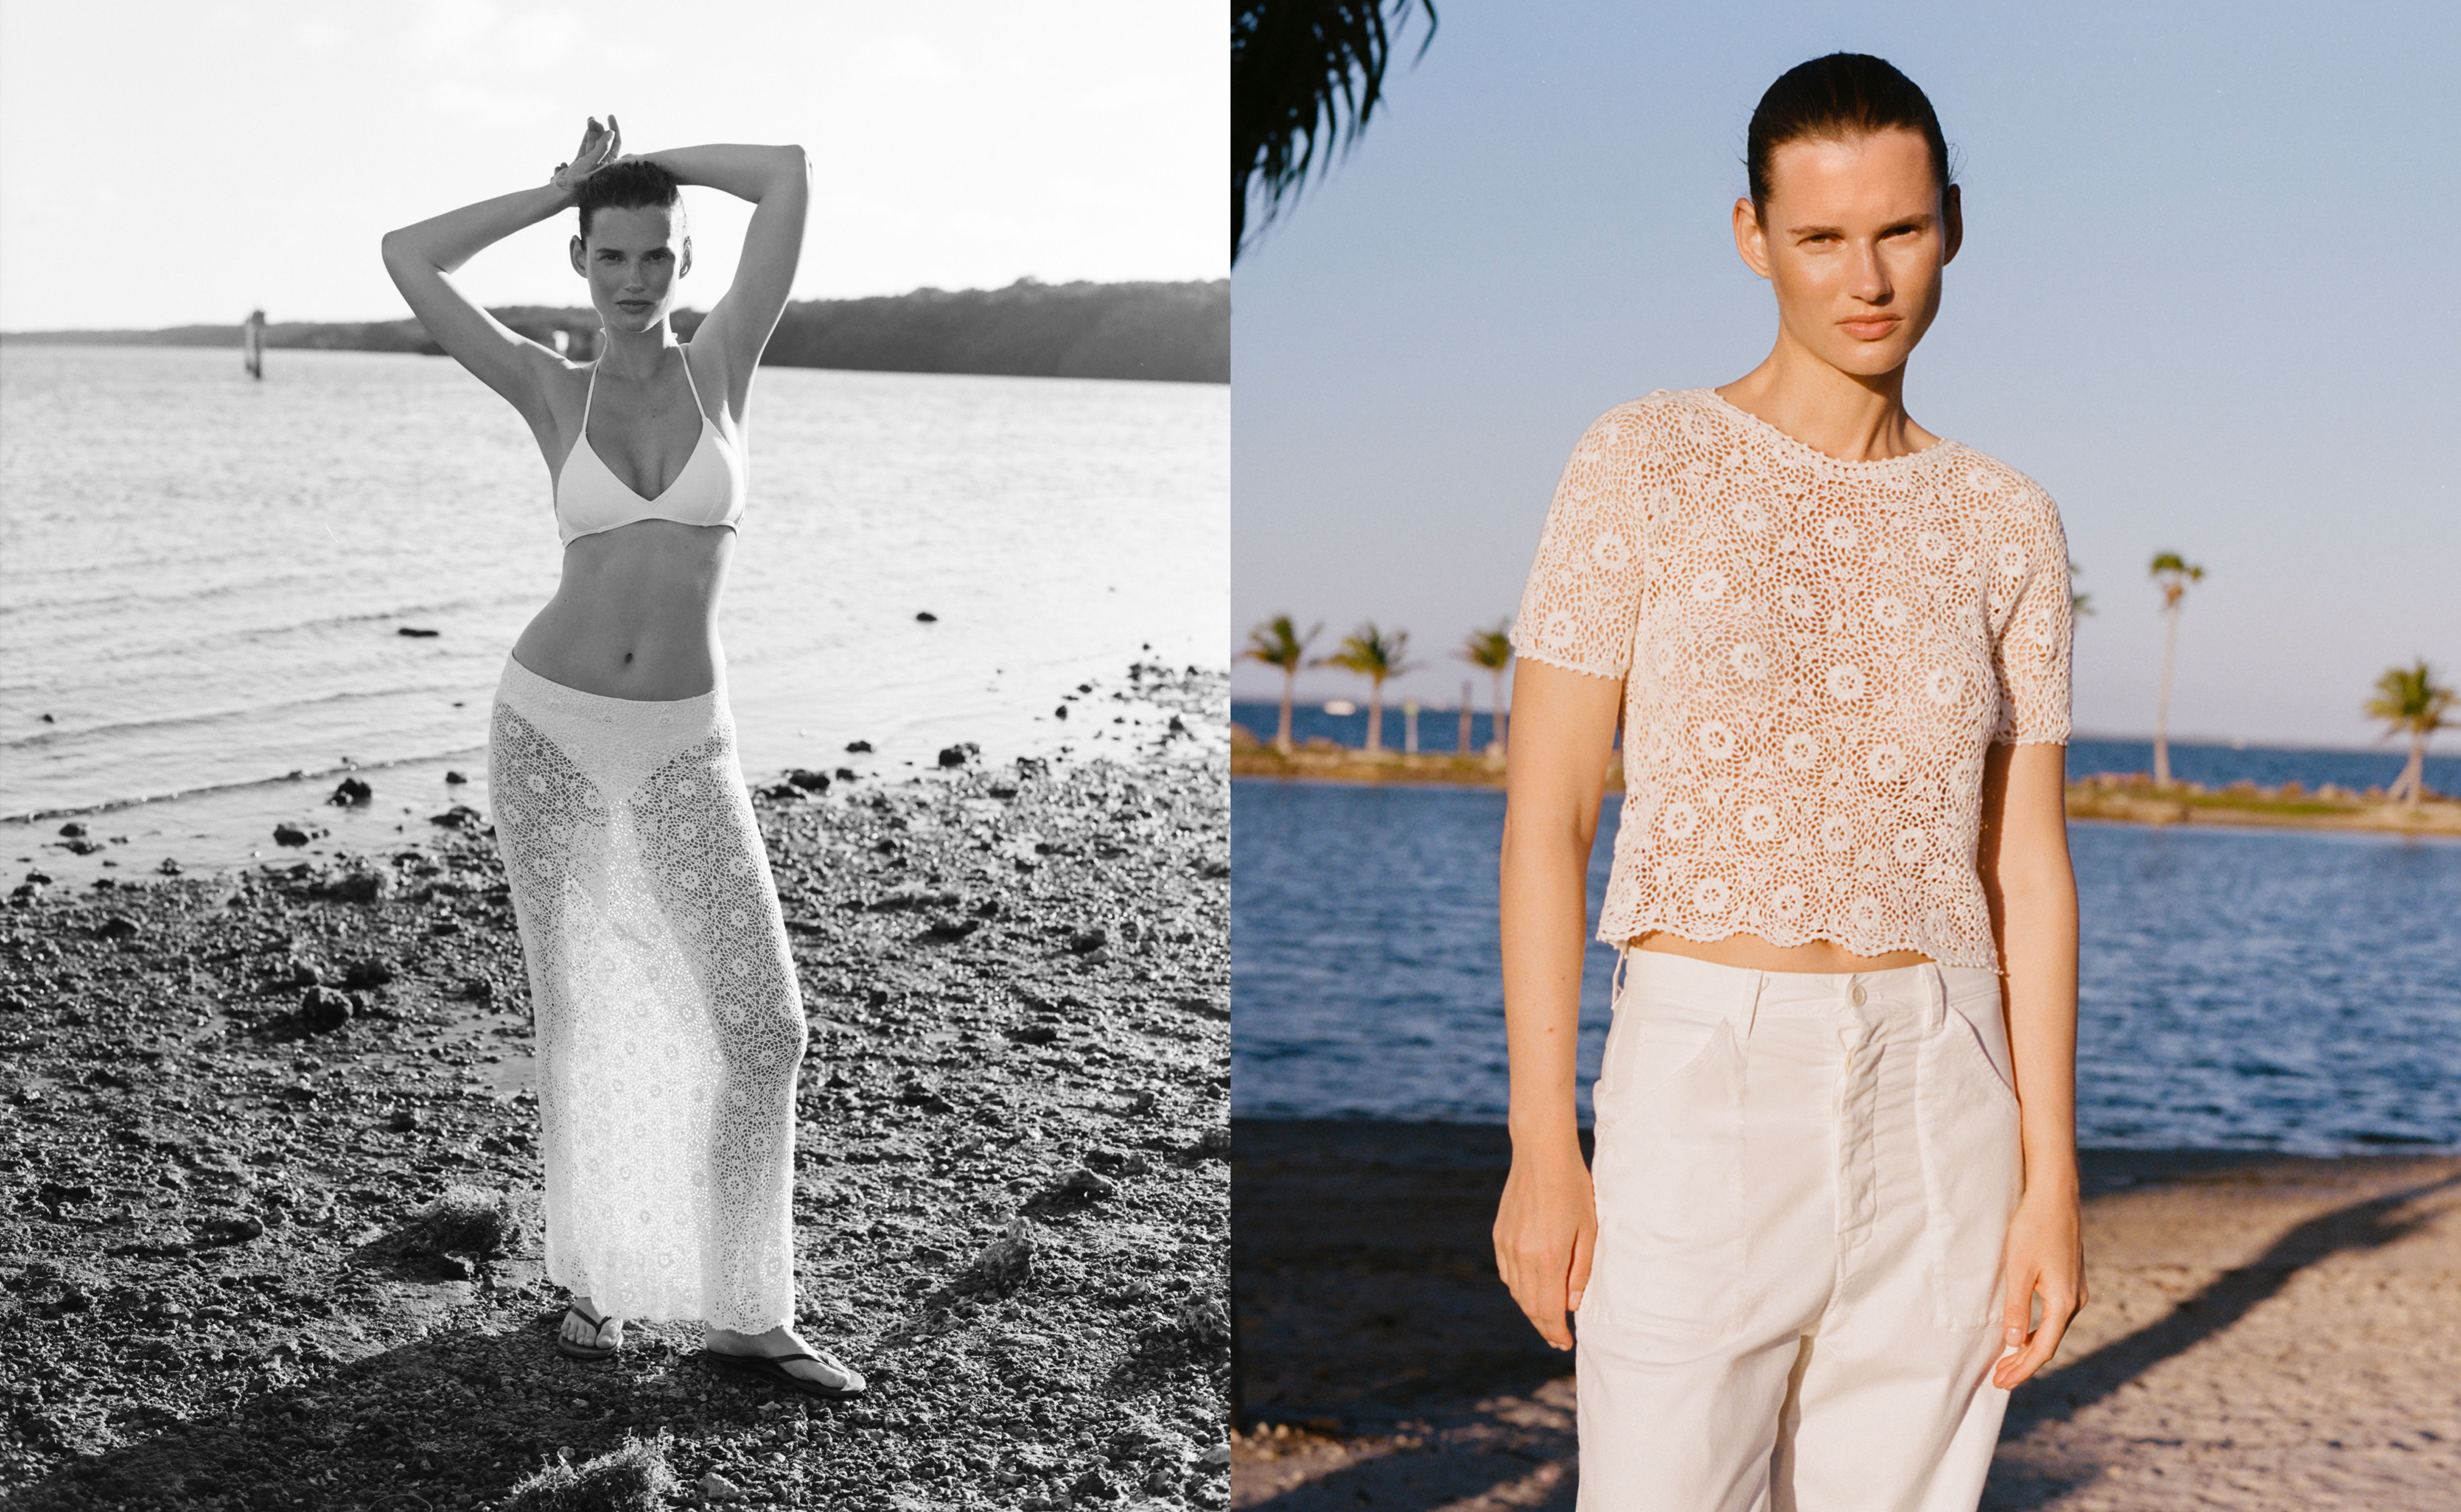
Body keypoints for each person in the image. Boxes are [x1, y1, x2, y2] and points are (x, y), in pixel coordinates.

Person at [1492, 55, 2081, 1508]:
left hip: (1947, 1092)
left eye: (1899, 232)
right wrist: (1538, 1143)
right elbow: (1549, 820)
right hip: (1701, 1075)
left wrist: (2053, 1177)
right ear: (1753, 236)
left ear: (1953, 223)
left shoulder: (2007, 520)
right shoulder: (1642, 461)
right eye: (1821, 238)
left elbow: (2026, 869)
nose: (1865, 277)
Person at [381, 116, 862, 1398]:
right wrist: (557, 189)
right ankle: (588, 1288)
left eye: (657, 254)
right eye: (612, 254)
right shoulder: (549, 387)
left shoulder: (725, 369)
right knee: (581, 1018)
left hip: (683, 742)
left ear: (684, 261)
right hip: (547, 725)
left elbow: (790, 174)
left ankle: (748, 1312)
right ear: (583, 261)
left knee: (765, 1027)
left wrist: (646, 165)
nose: (636, 278)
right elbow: (409, 257)